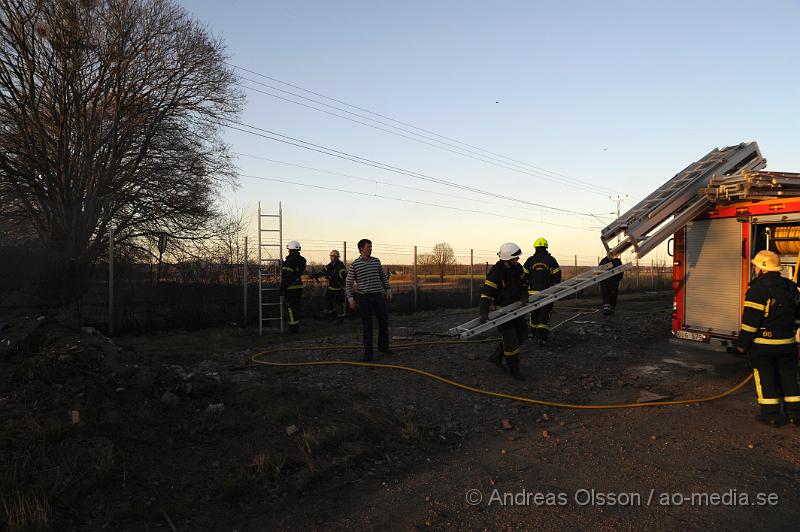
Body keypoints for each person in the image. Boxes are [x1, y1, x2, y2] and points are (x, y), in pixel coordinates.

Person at [735, 250, 800, 427]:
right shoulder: (790, 287)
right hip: (788, 344)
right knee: (789, 377)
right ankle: (795, 415)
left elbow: (750, 323)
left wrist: (742, 344)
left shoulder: (757, 289)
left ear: (763, 268)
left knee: (766, 378)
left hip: (764, 346)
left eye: (756, 266)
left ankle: (771, 415)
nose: (754, 269)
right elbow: (797, 315)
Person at [480, 242, 529, 380]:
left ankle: (497, 356)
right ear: (508, 258)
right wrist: (484, 312)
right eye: (516, 257)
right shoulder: (496, 272)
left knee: (523, 333)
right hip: (501, 312)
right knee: (511, 340)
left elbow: (524, 282)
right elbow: (486, 293)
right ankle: (514, 370)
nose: (518, 259)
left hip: (515, 309)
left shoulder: (518, 268)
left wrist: (524, 295)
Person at [346, 239, 392, 361]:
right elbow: (348, 283)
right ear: (361, 249)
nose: (370, 249)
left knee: (383, 321)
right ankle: (368, 354)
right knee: (368, 326)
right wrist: (350, 299)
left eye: (371, 247)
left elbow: (383, 277)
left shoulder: (376, 261)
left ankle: (383, 347)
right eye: (368, 247)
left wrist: (388, 289)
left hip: (378, 296)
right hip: (364, 298)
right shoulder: (355, 264)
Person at [522, 237, 561, 345]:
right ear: (546, 247)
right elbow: (557, 275)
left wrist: (524, 288)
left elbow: (524, 276)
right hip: (547, 292)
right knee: (544, 313)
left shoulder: (530, 260)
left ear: (535, 248)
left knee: (533, 312)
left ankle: (533, 332)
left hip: (531, 293)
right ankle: (542, 337)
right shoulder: (551, 260)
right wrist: (555, 287)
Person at [313, 249, 348, 323]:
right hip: (331, 288)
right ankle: (332, 316)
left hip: (339, 288)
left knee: (338, 304)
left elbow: (343, 275)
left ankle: (340, 318)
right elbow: (323, 271)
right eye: (331, 256)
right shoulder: (330, 265)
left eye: (333, 256)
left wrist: (333, 277)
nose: (331, 258)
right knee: (328, 301)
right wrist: (316, 275)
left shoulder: (340, 265)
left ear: (336, 257)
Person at [280, 240, 306, 334]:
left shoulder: (290, 261)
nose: (288, 251)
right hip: (299, 286)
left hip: (290, 288)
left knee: (290, 308)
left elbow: (287, 276)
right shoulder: (302, 260)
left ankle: (292, 328)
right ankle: (296, 327)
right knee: (296, 307)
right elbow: (296, 271)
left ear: (291, 249)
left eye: (289, 249)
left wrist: (282, 288)